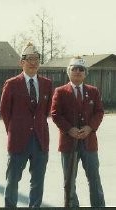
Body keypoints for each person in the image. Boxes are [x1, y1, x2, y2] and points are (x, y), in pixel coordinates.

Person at [0, 42, 52, 208]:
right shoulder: (12, 84)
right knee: (13, 180)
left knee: (38, 181)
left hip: (40, 140)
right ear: (21, 62)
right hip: (18, 141)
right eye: (29, 59)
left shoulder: (47, 84)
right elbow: (5, 112)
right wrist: (15, 130)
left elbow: (45, 111)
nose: (33, 62)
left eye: (36, 58)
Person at [51, 56, 105, 207]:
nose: (78, 72)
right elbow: (55, 114)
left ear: (85, 73)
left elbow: (99, 112)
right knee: (69, 181)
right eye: (74, 68)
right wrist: (69, 129)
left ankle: (99, 206)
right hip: (69, 144)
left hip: (89, 144)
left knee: (94, 179)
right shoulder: (60, 92)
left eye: (81, 69)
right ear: (68, 71)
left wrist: (90, 127)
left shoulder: (93, 91)